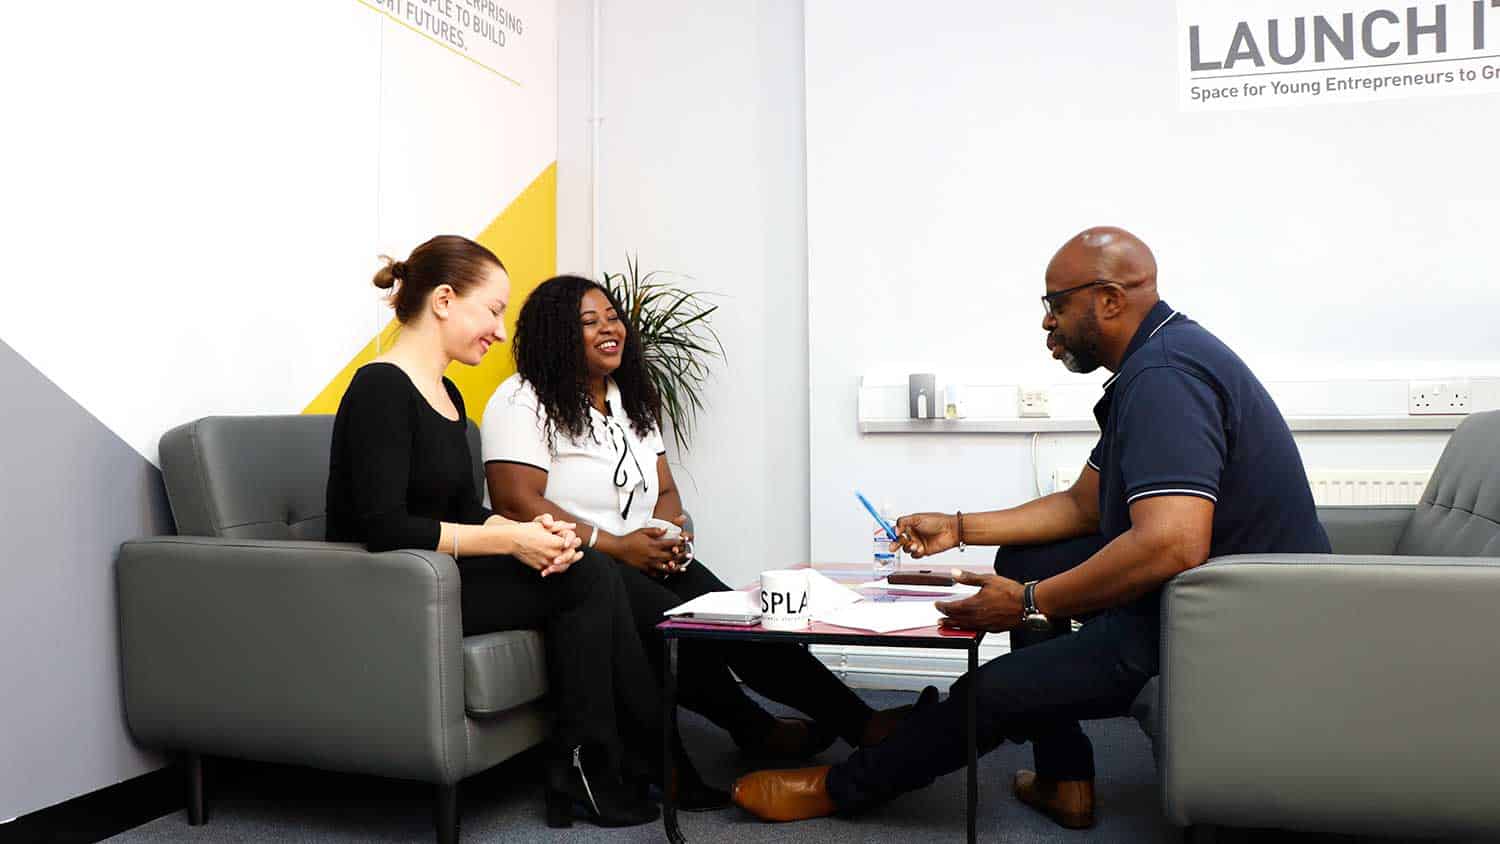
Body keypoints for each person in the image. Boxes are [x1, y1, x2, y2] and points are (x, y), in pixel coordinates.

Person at [730, 226, 1332, 827]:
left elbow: (1172, 542)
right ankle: (1063, 776)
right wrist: (960, 527)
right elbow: (1081, 506)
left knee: (997, 690)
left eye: (1055, 303)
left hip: (1229, 625)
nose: (1047, 322)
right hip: (1209, 599)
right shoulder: (1161, 360)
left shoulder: (1165, 377)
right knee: (1025, 556)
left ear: (1110, 300)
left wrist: (1027, 604)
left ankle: (843, 788)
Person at [325, 236, 697, 829]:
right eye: (493, 310)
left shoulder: (446, 395)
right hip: (392, 588)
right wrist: (507, 541)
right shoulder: (380, 389)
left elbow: (463, 511)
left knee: (584, 567)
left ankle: (609, 764)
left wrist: (533, 531)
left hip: (439, 577)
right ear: (445, 301)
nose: (499, 331)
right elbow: (382, 525)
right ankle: (603, 766)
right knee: (590, 578)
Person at [481, 275, 920, 762]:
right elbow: (517, 502)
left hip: (638, 555)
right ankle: (754, 729)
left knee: (743, 619)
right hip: (577, 564)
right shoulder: (521, 400)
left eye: (613, 317)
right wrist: (618, 546)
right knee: (678, 629)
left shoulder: (628, 399)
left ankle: (859, 721)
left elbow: (665, 489)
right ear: (555, 335)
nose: (610, 328)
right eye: (589, 322)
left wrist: (669, 536)